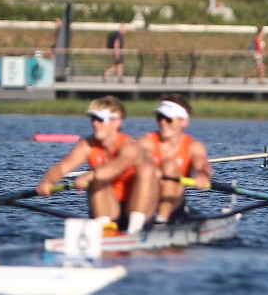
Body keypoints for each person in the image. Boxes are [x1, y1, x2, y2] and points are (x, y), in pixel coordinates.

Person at [35, 96, 157, 234]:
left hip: (136, 208)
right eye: (93, 119)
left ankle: (136, 231)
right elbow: (62, 167)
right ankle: (104, 230)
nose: (95, 124)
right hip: (110, 208)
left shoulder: (128, 146)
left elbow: (118, 166)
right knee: (97, 177)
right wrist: (47, 182)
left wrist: (91, 175)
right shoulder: (88, 145)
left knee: (146, 170)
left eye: (101, 120)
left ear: (116, 122)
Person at [138, 94, 213, 223]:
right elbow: (143, 155)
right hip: (144, 204)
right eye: (160, 117)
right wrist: (151, 167)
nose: (162, 122)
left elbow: (203, 166)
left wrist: (203, 175)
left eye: (168, 119)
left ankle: (161, 220)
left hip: (174, 205)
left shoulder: (194, 146)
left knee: (169, 166)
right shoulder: (146, 141)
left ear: (184, 121)